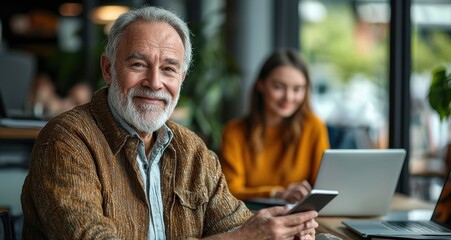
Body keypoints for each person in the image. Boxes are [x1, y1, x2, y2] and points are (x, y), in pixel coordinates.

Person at [21, 6, 319, 239]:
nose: (154, 82)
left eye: (168, 69)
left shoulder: (193, 151)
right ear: (108, 69)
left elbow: (238, 224)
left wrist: (284, 231)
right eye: (138, 64)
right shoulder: (65, 140)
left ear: (182, 79)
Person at [220, 49, 330, 203]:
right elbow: (231, 189)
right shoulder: (234, 132)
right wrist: (277, 193)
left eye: (297, 89)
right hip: (249, 216)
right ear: (261, 85)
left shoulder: (314, 126)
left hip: (299, 216)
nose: (289, 97)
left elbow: (323, 187)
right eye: (279, 87)